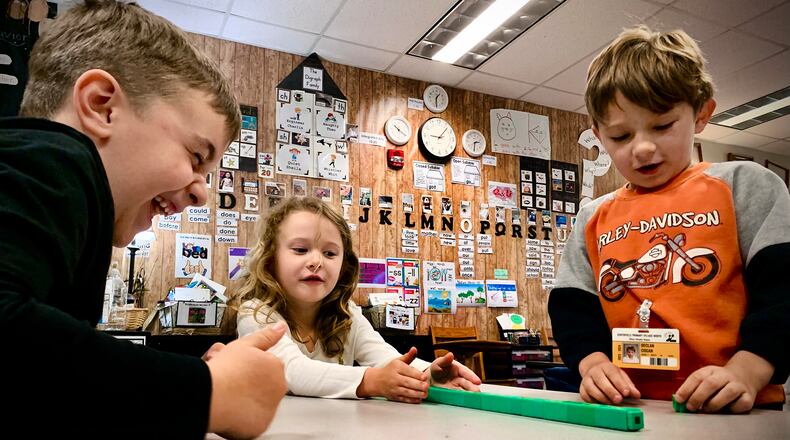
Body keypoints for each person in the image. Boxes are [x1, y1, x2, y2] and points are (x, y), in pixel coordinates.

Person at [0, 1, 286, 438]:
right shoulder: (56, 158)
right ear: (101, 106)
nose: (201, 191)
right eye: (196, 156)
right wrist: (205, 392)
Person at [548, 25, 790, 414]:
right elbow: (572, 307)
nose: (642, 148)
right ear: (598, 135)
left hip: (735, 409)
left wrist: (748, 370)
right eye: (621, 136)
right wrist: (591, 363)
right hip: (628, 408)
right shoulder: (593, 215)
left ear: (701, 114)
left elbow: (783, 293)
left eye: (662, 126)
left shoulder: (745, 184)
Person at [228, 197, 482, 401]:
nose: (316, 261)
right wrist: (371, 381)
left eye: (329, 253)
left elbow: (385, 358)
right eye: (300, 250)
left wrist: (428, 374)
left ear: (343, 266)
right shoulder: (256, 312)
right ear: (270, 259)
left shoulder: (347, 313)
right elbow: (291, 372)